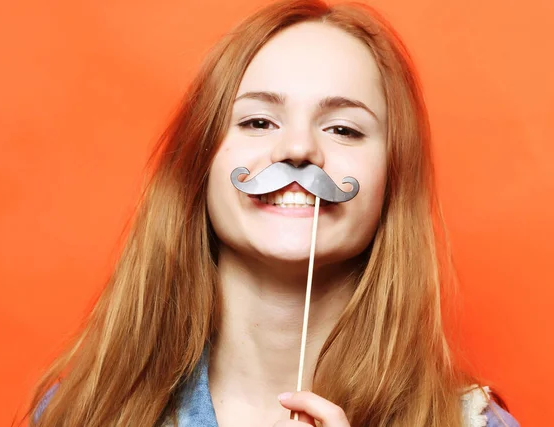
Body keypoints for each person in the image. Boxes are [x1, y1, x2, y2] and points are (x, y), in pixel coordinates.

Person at [27, 0, 520, 426]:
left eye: (344, 130)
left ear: (393, 179)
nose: (299, 149)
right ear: (198, 163)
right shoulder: (81, 413)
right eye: (259, 120)